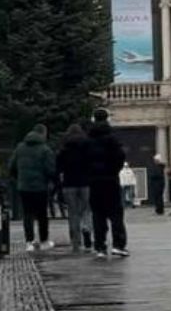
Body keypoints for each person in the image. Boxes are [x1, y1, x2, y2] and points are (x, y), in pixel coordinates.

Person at [86, 108, 130, 258]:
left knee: (98, 214)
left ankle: (100, 247)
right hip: (111, 179)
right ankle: (118, 245)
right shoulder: (112, 138)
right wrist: (114, 170)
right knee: (116, 213)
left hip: (94, 181)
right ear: (107, 119)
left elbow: (83, 159)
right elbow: (120, 156)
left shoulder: (88, 139)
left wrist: (90, 172)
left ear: (93, 119)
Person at [8, 125, 56, 252]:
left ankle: (29, 241)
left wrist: (19, 179)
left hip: (24, 186)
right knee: (42, 215)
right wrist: (51, 181)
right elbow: (50, 170)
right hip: (40, 187)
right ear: (43, 133)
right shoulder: (45, 149)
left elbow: (11, 166)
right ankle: (44, 241)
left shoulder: (20, 148)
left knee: (27, 214)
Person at [56, 123, 94, 253]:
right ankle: (87, 230)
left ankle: (76, 241)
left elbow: (58, 168)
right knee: (86, 210)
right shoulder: (87, 147)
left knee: (73, 213)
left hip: (69, 184)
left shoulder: (64, 149)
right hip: (85, 183)